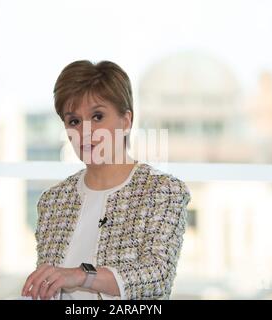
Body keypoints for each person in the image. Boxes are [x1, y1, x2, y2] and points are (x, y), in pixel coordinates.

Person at [22, 60, 191, 300]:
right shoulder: (53, 201)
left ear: (126, 121)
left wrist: (82, 276)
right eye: (74, 121)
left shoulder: (162, 191)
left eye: (97, 116)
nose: (85, 131)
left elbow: (158, 276)